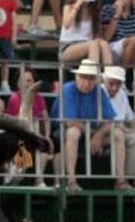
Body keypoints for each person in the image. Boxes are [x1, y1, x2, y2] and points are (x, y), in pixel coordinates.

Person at [50, 59, 121, 192]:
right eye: (83, 77)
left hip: (90, 134)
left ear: (96, 80)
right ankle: (71, 180)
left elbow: (111, 121)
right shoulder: (67, 89)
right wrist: (94, 135)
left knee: (118, 134)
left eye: (91, 78)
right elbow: (70, 121)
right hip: (62, 133)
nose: (86, 82)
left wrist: (99, 136)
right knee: (73, 132)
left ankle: (121, 181)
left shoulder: (99, 91)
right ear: (77, 76)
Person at [6, 66, 53, 188]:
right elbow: (15, 122)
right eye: (24, 80)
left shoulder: (39, 98)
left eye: (30, 80)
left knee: (45, 146)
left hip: (36, 135)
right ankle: (15, 177)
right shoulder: (14, 98)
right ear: (18, 83)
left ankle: (39, 180)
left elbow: (46, 119)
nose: (27, 83)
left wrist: (47, 136)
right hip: (19, 135)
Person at [59, 0, 111, 65]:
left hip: (88, 45)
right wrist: (78, 4)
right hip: (68, 47)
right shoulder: (69, 6)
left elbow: (97, 35)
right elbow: (66, 25)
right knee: (93, 45)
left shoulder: (95, 11)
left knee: (104, 44)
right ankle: (93, 76)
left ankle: (109, 76)